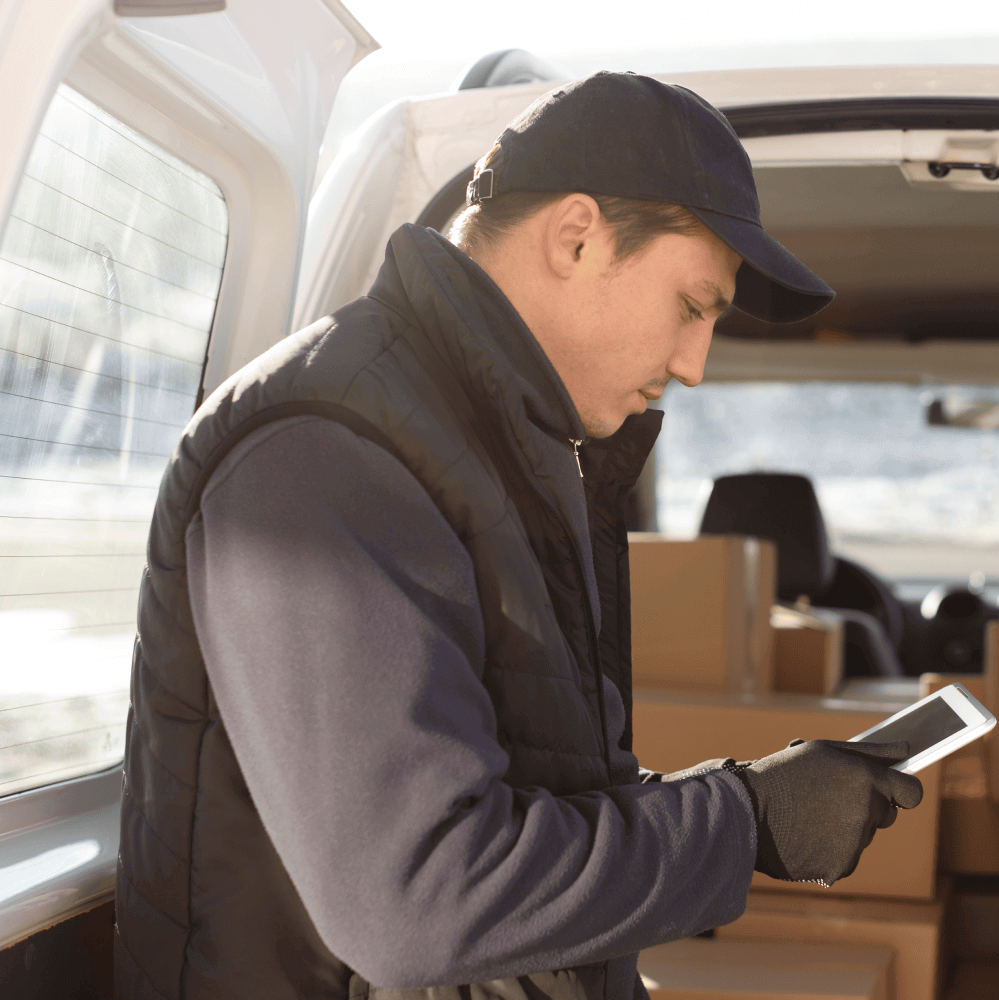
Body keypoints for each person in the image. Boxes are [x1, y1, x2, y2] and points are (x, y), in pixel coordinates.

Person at [115, 72, 923, 1000]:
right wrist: (742, 822)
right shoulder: (325, 450)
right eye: (694, 306)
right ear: (576, 238)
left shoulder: (501, 453)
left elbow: (528, 791)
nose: (696, 366)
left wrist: (746, 798)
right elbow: (420, 897)